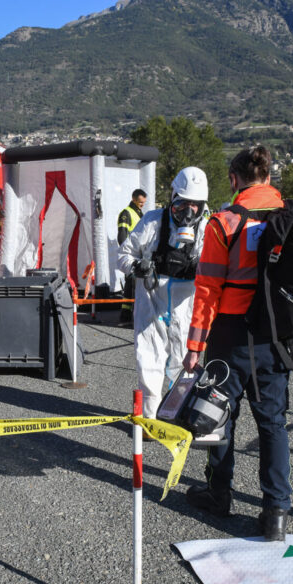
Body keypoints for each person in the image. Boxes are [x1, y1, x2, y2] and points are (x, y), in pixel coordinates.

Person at [181, 145, 293, 542]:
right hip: (278, 333)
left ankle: (219, 493)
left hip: (231, 332)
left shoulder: (223, 222)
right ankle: (276, 512)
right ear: (269, 178)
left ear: (234, 180)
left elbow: (207, 288)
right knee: (273, 422)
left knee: (219, 414)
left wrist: (194, 345)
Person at [118, 169, 209, 419]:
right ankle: (149, 418)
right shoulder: (152, 221)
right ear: (172, 200)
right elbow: (123, 256)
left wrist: (200, 268)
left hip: (186, 303)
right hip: (152, 299)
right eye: (181, 205)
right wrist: (138, 267)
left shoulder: (207, 228)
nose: (188, 213)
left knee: (184, 360)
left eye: (195, 206)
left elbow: (216, 270)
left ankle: (173, 415)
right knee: (149, 358)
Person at [117, 189, 147, 324]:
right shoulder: (126, 213)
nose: (142, 205)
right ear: (133, 199)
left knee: (134, 285)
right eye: (140, 202)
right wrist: (126, 254)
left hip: (139, 255)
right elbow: (122, 234)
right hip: (131, 255)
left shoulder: (139, 213)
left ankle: (131, 315)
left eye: (144, 203)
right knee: (129, 286)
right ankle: (125, 316)